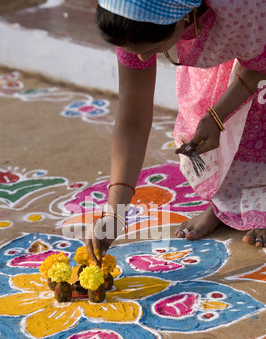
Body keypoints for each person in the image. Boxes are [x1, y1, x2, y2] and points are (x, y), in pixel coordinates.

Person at [86, 0, 266, 265]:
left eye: (153, 50)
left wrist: (218, 116)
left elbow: (260, 63)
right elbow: (132, 118)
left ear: (182, 19)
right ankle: (225, 203)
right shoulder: (131, 16)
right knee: (204, 100)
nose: (143, 59)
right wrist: (114, 212)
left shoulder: (243, 7)